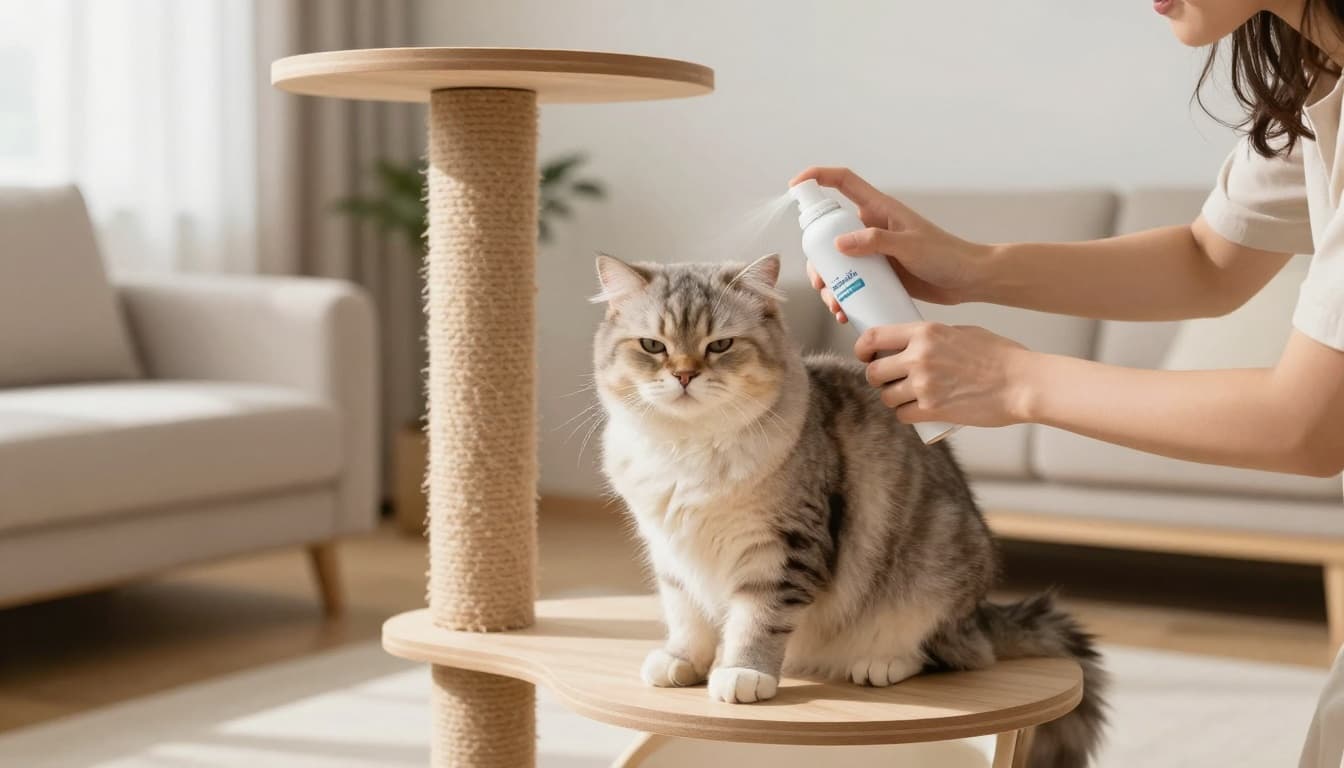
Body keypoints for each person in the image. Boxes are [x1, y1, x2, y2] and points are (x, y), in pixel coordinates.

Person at [794, 1, 1344, 765]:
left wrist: (1015, 380)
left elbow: (1309, 425)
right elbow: (1209, 261)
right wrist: (972, 267)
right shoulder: (1317, 74)